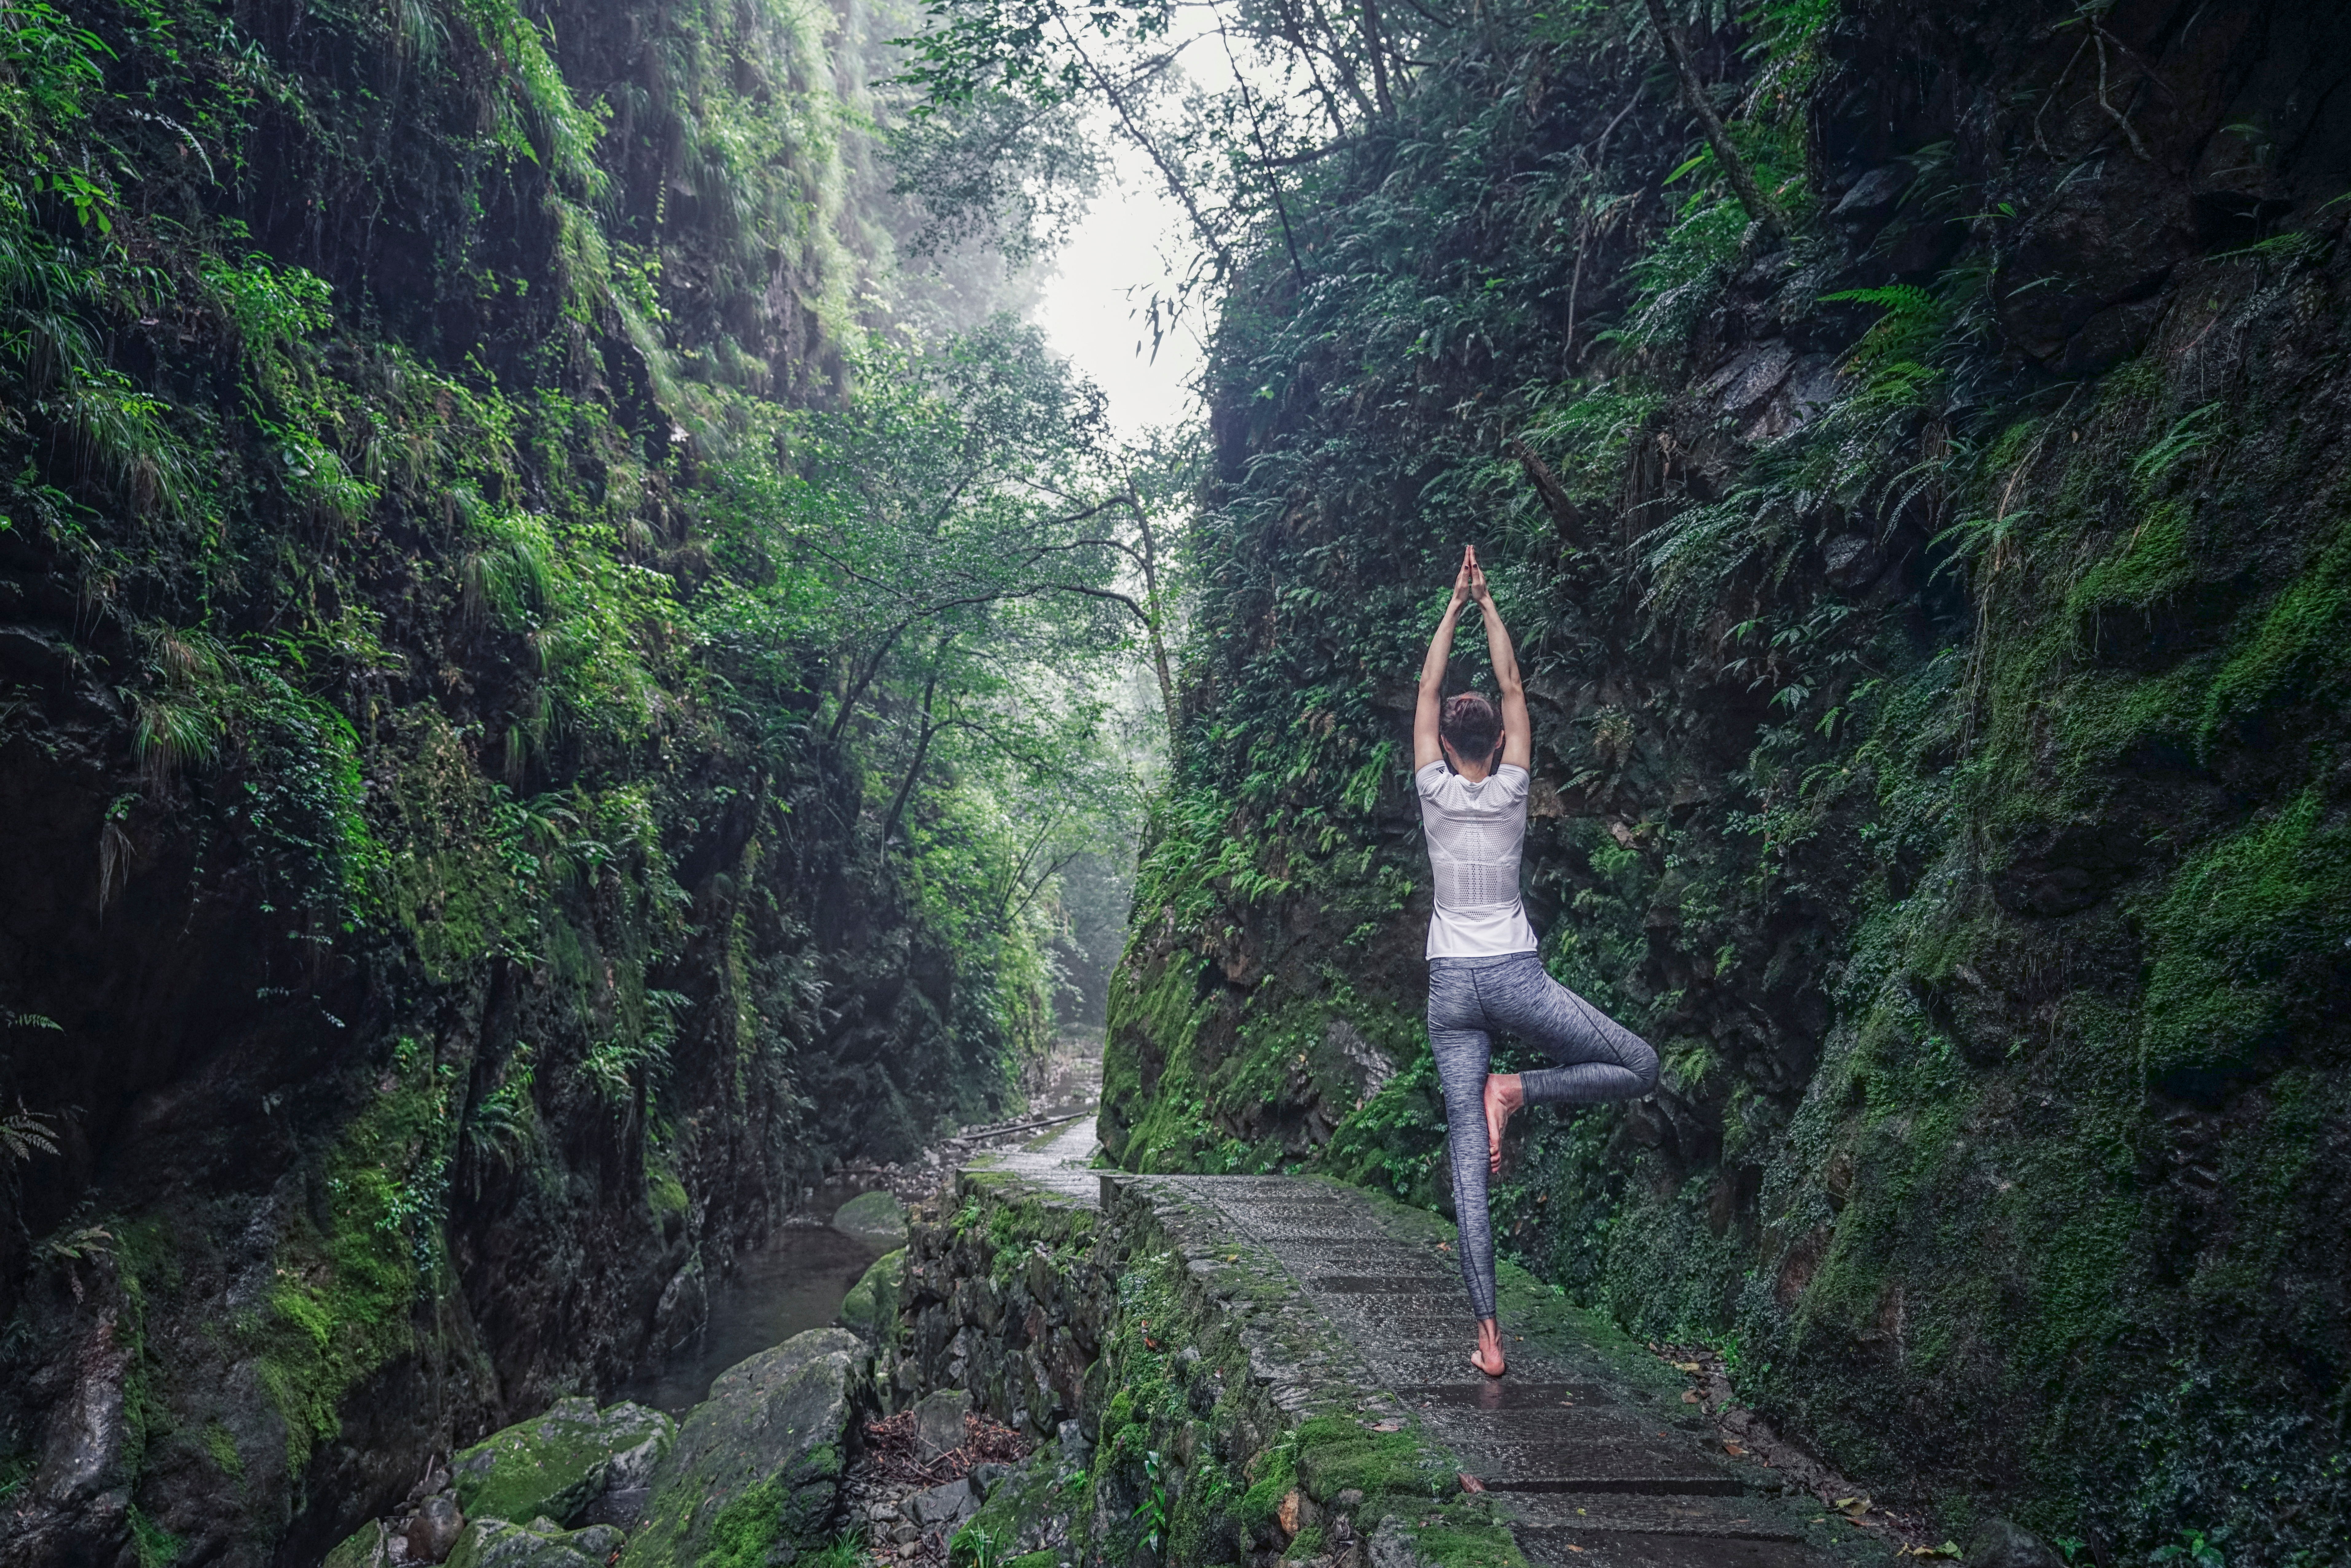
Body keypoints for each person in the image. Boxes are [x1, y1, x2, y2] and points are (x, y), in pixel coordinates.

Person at [1413, 544, 1658, 1378]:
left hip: (1451, 986)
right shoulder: (1514, 787)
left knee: (1463, 1159)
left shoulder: (1433, 791)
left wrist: (1452, 606)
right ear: (1493, 736)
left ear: (1447, 736)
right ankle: (1517, 1092)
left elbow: (1426, 688)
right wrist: (1487, 604)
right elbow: (1515, 688)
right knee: (1640, 1064)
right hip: (1516, 977)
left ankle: (1488, 1338)